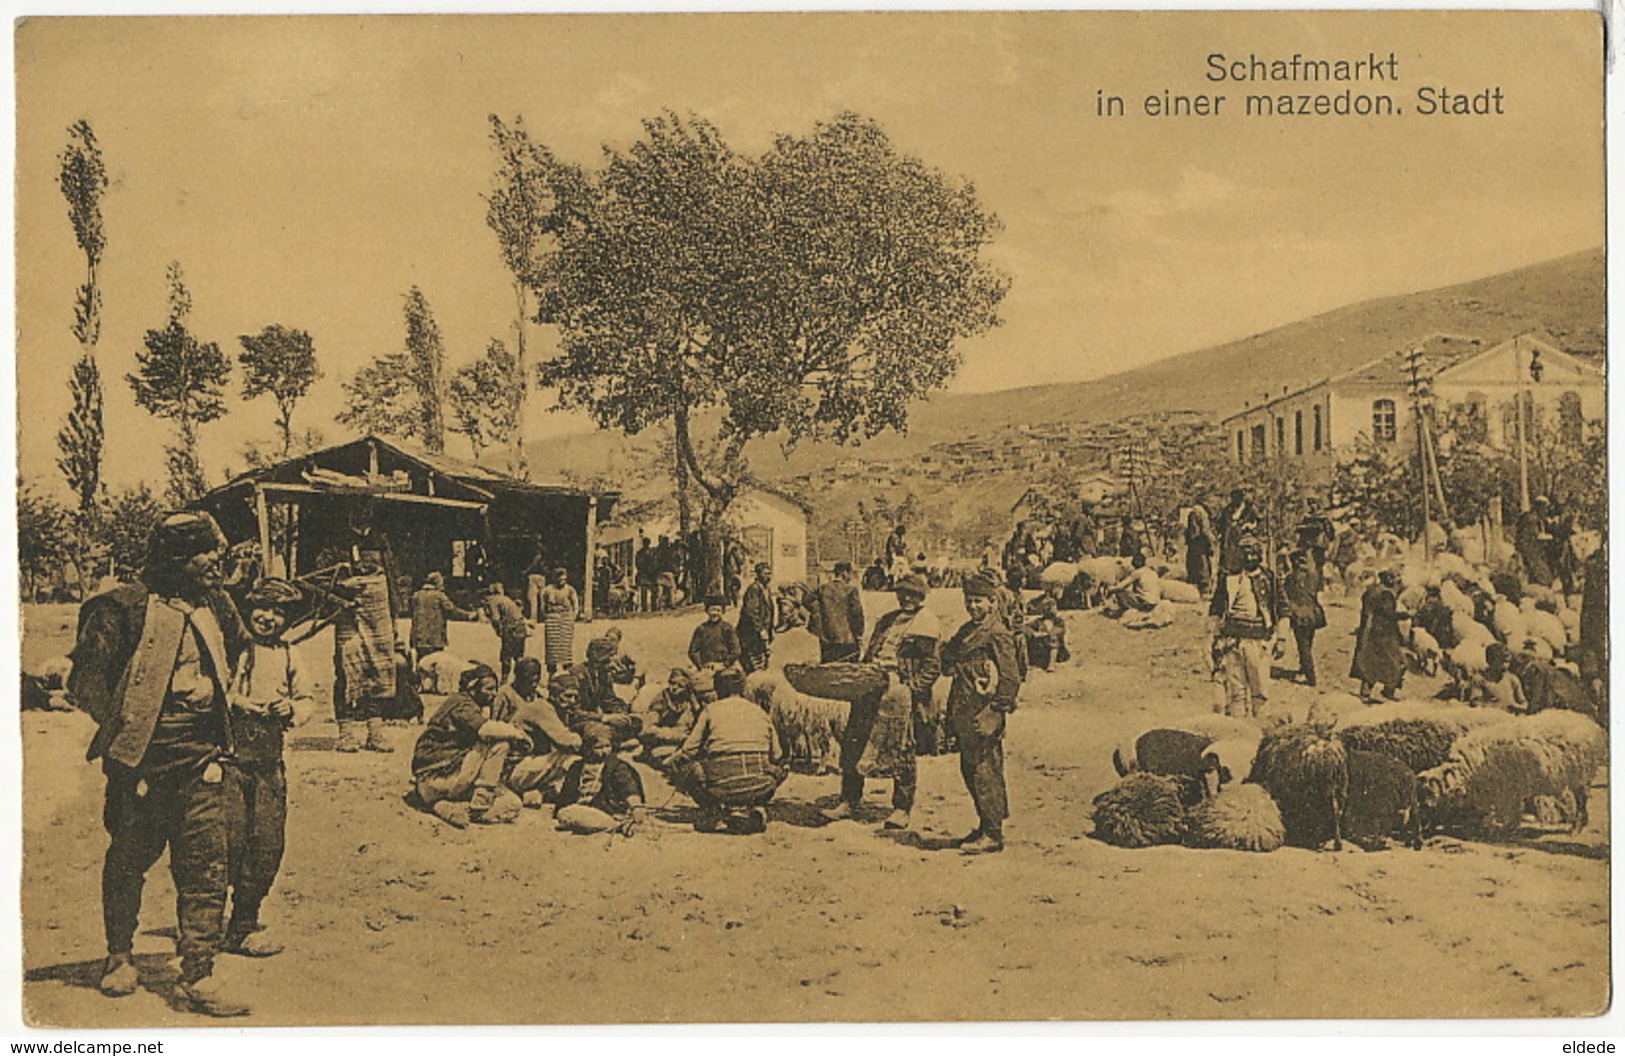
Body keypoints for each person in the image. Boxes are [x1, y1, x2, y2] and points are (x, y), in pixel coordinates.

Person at [67, 511, 252, 1015]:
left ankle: (199, 974)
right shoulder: (119, 608)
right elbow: (85, 682)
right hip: (139, 762)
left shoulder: (215, 603)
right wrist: (127, 726)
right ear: (175, 558)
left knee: (206, 864)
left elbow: (240, 650)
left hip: (203, 758)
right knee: (129, 858)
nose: (217, 560)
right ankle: (120, 956)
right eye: (205, 552)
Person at [221, 578, 311, 961]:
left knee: (266, 843)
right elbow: (216, 691)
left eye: (278, 612)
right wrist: (239, 703)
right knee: (227, 840)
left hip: (269, 763)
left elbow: (306, 699)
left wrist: (292, 710)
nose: (268, 617)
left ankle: (243, 924)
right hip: (229, 761)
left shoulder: (290, 656)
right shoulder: (236, 652)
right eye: (261, 608)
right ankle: (204, 925)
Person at [827, 575, 940, 829]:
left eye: (913, 595)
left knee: (902, 749)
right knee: (853, 740)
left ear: (921, 598)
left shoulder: (926, 624)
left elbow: (933, 666)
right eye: (903, 594)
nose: (907, 599)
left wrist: (912, 688)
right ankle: (850, 799)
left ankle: (901, 807)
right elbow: (870, 652)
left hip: (901, 691)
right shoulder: (887, 620)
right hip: (872, 686)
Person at [941, 572, 1020, 855]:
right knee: (970, 768)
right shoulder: (967, 630)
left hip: (985, 710)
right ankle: (986, 823)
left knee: (985, 769)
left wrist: (996, 711)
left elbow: (1011, 677)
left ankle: (993, 833)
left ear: (991, 602)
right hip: (964, 707)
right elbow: (947, 657)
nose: (973, 606)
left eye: (978, 602)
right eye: (969, 601)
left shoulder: (997, 633)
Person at [666, 667, 786, 834]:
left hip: (720, 788)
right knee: (780, 769)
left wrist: (671, 763)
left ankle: (714, 812)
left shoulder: (710, 710)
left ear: (718, 689)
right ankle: (756, 806)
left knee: (686, 767)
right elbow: (777, 755)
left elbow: (689, 750)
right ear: (742, 688)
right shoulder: (759, 711)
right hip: (761, 786)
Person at [411, 664, 526, 828]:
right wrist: (518, 734)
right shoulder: (462, 703)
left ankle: (443, 806)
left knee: (513, 803)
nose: (493, 694)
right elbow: (486, 729)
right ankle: (479, 807)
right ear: (473, 688)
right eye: (489, 689)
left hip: (434, 780)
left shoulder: (459, 702)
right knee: (499, 743)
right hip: (437, 776)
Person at [1208, 535, 1285, 718]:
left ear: (1260, 555)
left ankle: (1260, 727)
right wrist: (1213, 637)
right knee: (1236, 691)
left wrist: (1281, 638)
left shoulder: (1269, 578)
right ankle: (1239, 731)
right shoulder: (1229, 578)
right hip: (1232, 640)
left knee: (1261, 690)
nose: (1249, 558)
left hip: (1259, 641)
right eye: (1245, 554)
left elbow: (1283, 609)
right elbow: (1216, 609)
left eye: (1253, 554)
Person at [331, 552, 399, 753]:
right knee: (347, 674)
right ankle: (346, 735)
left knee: (378, 676)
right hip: (349, 625)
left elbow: (392, 585)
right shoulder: (338, 544)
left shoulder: (382, 543)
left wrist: (393, 621)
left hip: (379, 625)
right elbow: (323, 585)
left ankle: (375, 734)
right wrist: (342, 587)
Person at [505, 668, 585, 806]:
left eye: (575, 697)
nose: (572, 701)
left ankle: (538, 794)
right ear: (554, 694)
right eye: (568, 696)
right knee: (573, 760)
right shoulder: (542, 708)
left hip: (527, 765)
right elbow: (566, 741)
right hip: (515, 769)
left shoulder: (557, 708)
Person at [553, 722, 647, 835]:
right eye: (598, 747)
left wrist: (636, 806)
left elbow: (627, 785)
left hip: (605, 810)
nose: (604, 751)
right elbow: (566, 794)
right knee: (565, 812)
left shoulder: (615, 765)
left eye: (608, 746)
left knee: (588, 817)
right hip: (580, 807)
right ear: (588, 748)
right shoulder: (577, 766)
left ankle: (615, 826)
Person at [570, 637, 642, 742]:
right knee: (600, 731)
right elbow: (574, 712)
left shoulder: (604, 673)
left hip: (596, 719)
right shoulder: (577, 675)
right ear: (599, 659)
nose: (614, 661)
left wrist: (622, 714)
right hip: (581, 721)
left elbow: (609, 700)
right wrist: (604, 717)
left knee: (635, 722)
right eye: (610, 656)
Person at [1351, 569, 1407, 702]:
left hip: (1370, 632)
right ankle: (1389, 690)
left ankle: (1366, 691)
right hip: (1385, 633)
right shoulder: (1386, 594)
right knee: (1398, 662)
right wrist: (1405, 615)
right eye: (1393, 578)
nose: (1395, 581)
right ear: (1388, 579)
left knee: (1370, 661)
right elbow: (1388, 614)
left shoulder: (1370, 592)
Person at [636, 667, 705, 766]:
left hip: (687, 741)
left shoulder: (690, 701)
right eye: (672, 683)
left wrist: (694, 703)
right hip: (667, 740)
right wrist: (676, 735)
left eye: (680, 686)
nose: (675, 688)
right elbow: (648, 730)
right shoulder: (661, 700)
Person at [409, 572, 476, 666]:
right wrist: (469, 615)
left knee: (421, 663)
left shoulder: (416, 596)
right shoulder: (439, 596)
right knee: (435, 663)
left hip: (419, 638)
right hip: (435, 639)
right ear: (437, 583)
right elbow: (452, 611)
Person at [1282, 549, 1326, 687]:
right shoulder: (1314, 576)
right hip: (1313, 613)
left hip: (1299, 615)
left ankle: (1310, 676)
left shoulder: (1290, 578)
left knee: (1303, 646)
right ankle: (1304, 668)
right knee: (1308, 643)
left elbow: (1286, 597)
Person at [807, 561, 866, 662]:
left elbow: (807, 601)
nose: (851, 577)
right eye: (850, 573)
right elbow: (857, 614)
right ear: (845, 573)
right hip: (848, 640)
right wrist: (859, 635)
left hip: (827, 639)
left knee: (828, 670)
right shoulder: (851, 590)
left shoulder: (822, 589)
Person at [483, 582, 528, 683]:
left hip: (510, 629)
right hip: (521, 628)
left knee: (506, 656)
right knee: (518, 657)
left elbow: (495, 618)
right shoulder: (507, 599)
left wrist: (498, 630)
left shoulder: (493, 601)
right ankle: (521, 679)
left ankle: (504, 680)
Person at [736, 562, 776, 674]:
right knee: (753, 664)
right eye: (765, 573)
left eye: (770, 574)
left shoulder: (765, 589)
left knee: (762, 662)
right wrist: (760, 629)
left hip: (761, 633)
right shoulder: (754, 589)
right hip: (751, 633)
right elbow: (751, 612)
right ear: (758, 574)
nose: (768, 576)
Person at [539, 567, 580, 676]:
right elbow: (542, 607)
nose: (562, 581)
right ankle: (551, 674)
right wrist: (548, 616)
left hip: (566, 619)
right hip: (552, 620)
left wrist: (573, 616)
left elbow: (575, 604)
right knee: (552, 649)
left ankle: (568, 673)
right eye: (560, 579)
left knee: (566, 648)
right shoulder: (547, 590)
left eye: (564, 579)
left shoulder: (570, 590)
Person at [1469, 642, 1526, 712]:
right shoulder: (1480, 680)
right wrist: (1496, 706)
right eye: (1501, 660)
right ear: (1490, 660)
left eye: (1506, 662)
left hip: (1510, 719)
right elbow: (1475, 703)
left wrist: (1515, 706)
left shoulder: (1512, 679)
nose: (1505, 665)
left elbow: (1524, 704)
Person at [689, 596, 742, 671]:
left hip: (724, 667)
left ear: (722, 612)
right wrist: (700, 665)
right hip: (706, 667)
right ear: (707, 611)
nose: (714, 613)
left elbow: (736, 651)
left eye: (718, 610)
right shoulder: (701, 629)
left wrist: (725, 664)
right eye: (712, 610)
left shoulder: (727, 628)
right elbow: (693, 651)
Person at [1215, 489, 1261, 575]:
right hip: (1230, 539)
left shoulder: (1250, 509)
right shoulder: (1229, 509)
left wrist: (1250, 525)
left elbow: (1256, 522)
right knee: (1229, 561)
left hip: (1244, 539)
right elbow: (1226, 522)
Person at [1103, 552, 1160, 618]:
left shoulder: (1137, 573)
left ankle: (1125, 611)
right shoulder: (1152, 572)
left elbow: (1121, 586)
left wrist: (1110, 589)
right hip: (1155, 602)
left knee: (1120, 592)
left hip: (1146, 603)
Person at [1516, 496, 1555, 587]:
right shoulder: (1532, 518)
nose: (1546, 511)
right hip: (1531, 550)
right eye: (1545, 508)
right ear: (1540, 507)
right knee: (1544, 577)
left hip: (1535, 550)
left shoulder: (1538, 518)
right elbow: (1535, 535)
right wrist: (1551, 537)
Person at [1295, 498, 1336, 573]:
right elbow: (1300, 528)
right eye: (1309, 504)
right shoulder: (1307, 517)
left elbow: (1330, 531)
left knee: (1319, 564)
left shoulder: (1323, 518)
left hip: (1318, 543)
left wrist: (1329, 541)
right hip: (1307, 542)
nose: (1311, 506)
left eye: (1313, 503)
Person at [1184, 503, 1216, 596]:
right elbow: (1204, 531)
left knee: (1194, 566)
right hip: (1200, 543)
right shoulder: (1200, 513)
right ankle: (1204, 590)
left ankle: (1195, 590)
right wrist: (1210, 544)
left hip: (1194, 543)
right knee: (1202, 567)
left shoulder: (1193, 512)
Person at [634, 536, 658, 614]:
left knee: (651, 590)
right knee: (646, 591)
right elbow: (638, 563)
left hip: (648, 573)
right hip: (646, 573)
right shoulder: (648, 552)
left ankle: (652, 606)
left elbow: (637, 563)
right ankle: (647, 607)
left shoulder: (641, 553)